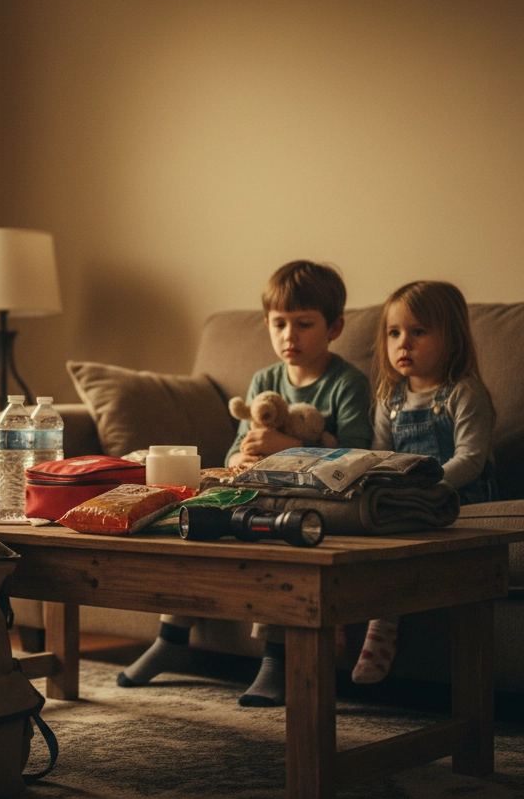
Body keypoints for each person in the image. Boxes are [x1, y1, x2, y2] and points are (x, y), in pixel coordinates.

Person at [117, 260, 371, 703]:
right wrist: (240, 456)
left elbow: (356, 452)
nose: (289, 336)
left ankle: (275, 658)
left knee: (279, 536)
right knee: (193, 518)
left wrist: (284, 445)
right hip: (252, 486)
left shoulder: (346, 383)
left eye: (303, 324)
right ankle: (171, 639)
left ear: (334, 327)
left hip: (305, 497)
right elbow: (239, 445)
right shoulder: (264, 380)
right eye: (279, 324)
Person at [351, 280, 497, 684]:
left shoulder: (464, 393)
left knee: (401, 533)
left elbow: (471, 458)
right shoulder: (389, 400)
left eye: (418, 332)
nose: (403, 344)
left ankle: (381, 633)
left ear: (451, 339)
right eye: (394, 333)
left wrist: (423, 489)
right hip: (407, 497)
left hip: (458, 497)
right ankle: (335, 624)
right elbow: (381, 457)